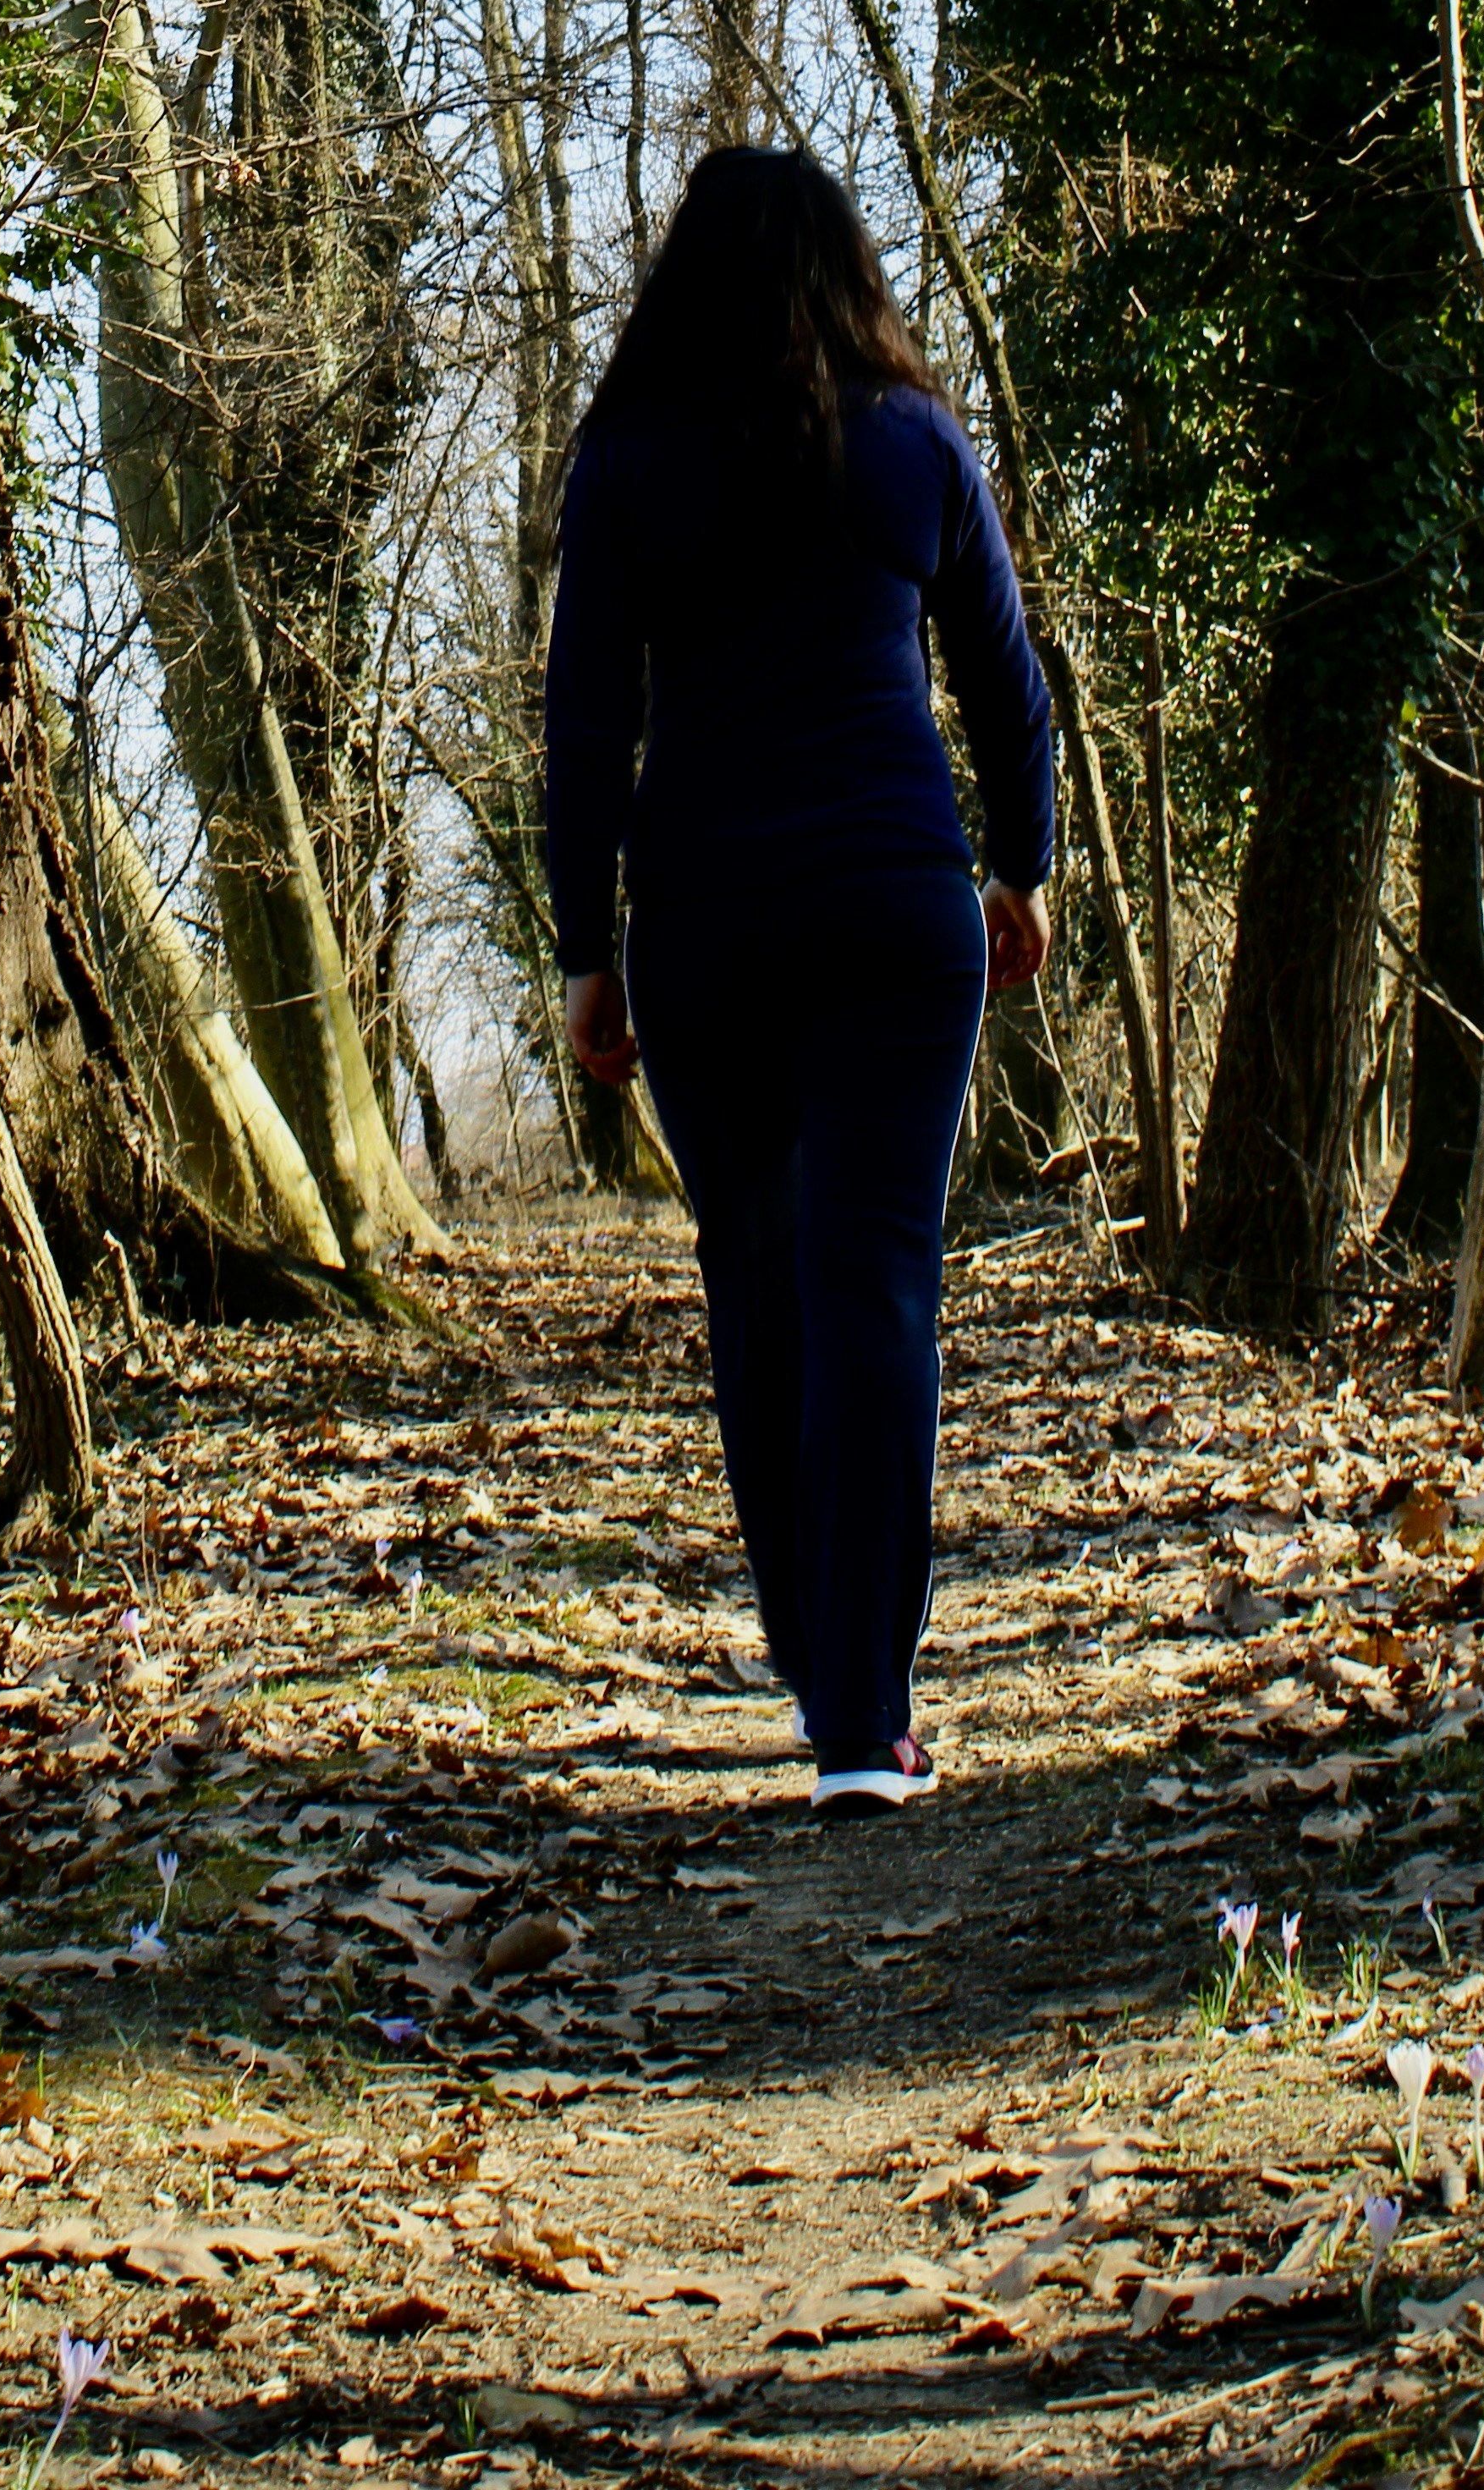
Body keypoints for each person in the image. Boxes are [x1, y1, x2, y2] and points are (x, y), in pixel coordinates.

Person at [542, 145, 1054, 1811]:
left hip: (706, 925)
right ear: (845, 272)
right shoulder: (912, 442)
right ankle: (860, 1715)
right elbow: (1002, 675)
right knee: (874, 1279)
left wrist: (580, 948)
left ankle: (806, 1655)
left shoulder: (624, 460)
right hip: (894, 911)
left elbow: (580, 730)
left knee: (758, 1282)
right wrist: (1019, 865)